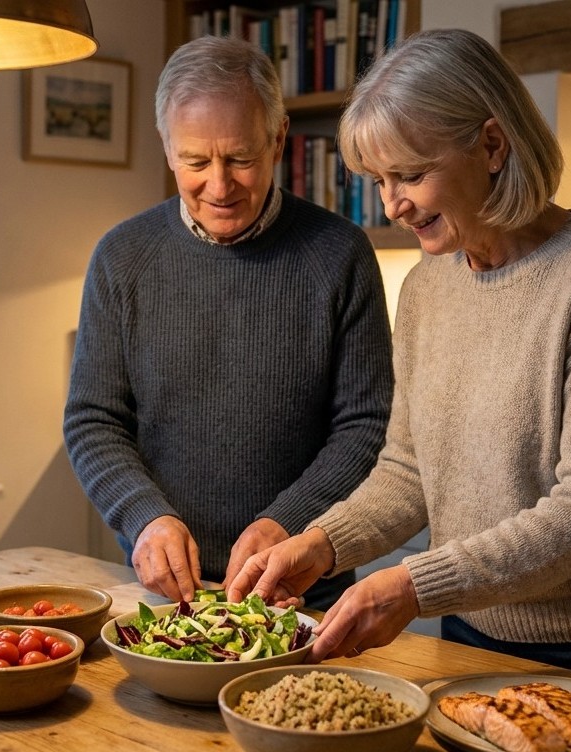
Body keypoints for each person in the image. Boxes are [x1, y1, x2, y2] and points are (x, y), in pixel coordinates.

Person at [227, 28, 571, 695]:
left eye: (411, 174)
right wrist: (321, 544)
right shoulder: (426, 286)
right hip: (471, 629)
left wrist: (415, 586)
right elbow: (410, 469)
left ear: (492, 144)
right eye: (380, 181)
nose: (394, 204)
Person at [63, 36, 394, 610]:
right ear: (167, 149)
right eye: (195, 161)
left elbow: (368, 425)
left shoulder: (341, 254)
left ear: (278, 140)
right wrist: (146, 518)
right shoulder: (121, 257)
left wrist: (287, 521)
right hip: (166, 594)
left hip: (305, 590)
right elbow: (94, 421)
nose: (219, 186)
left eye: (240, 159)